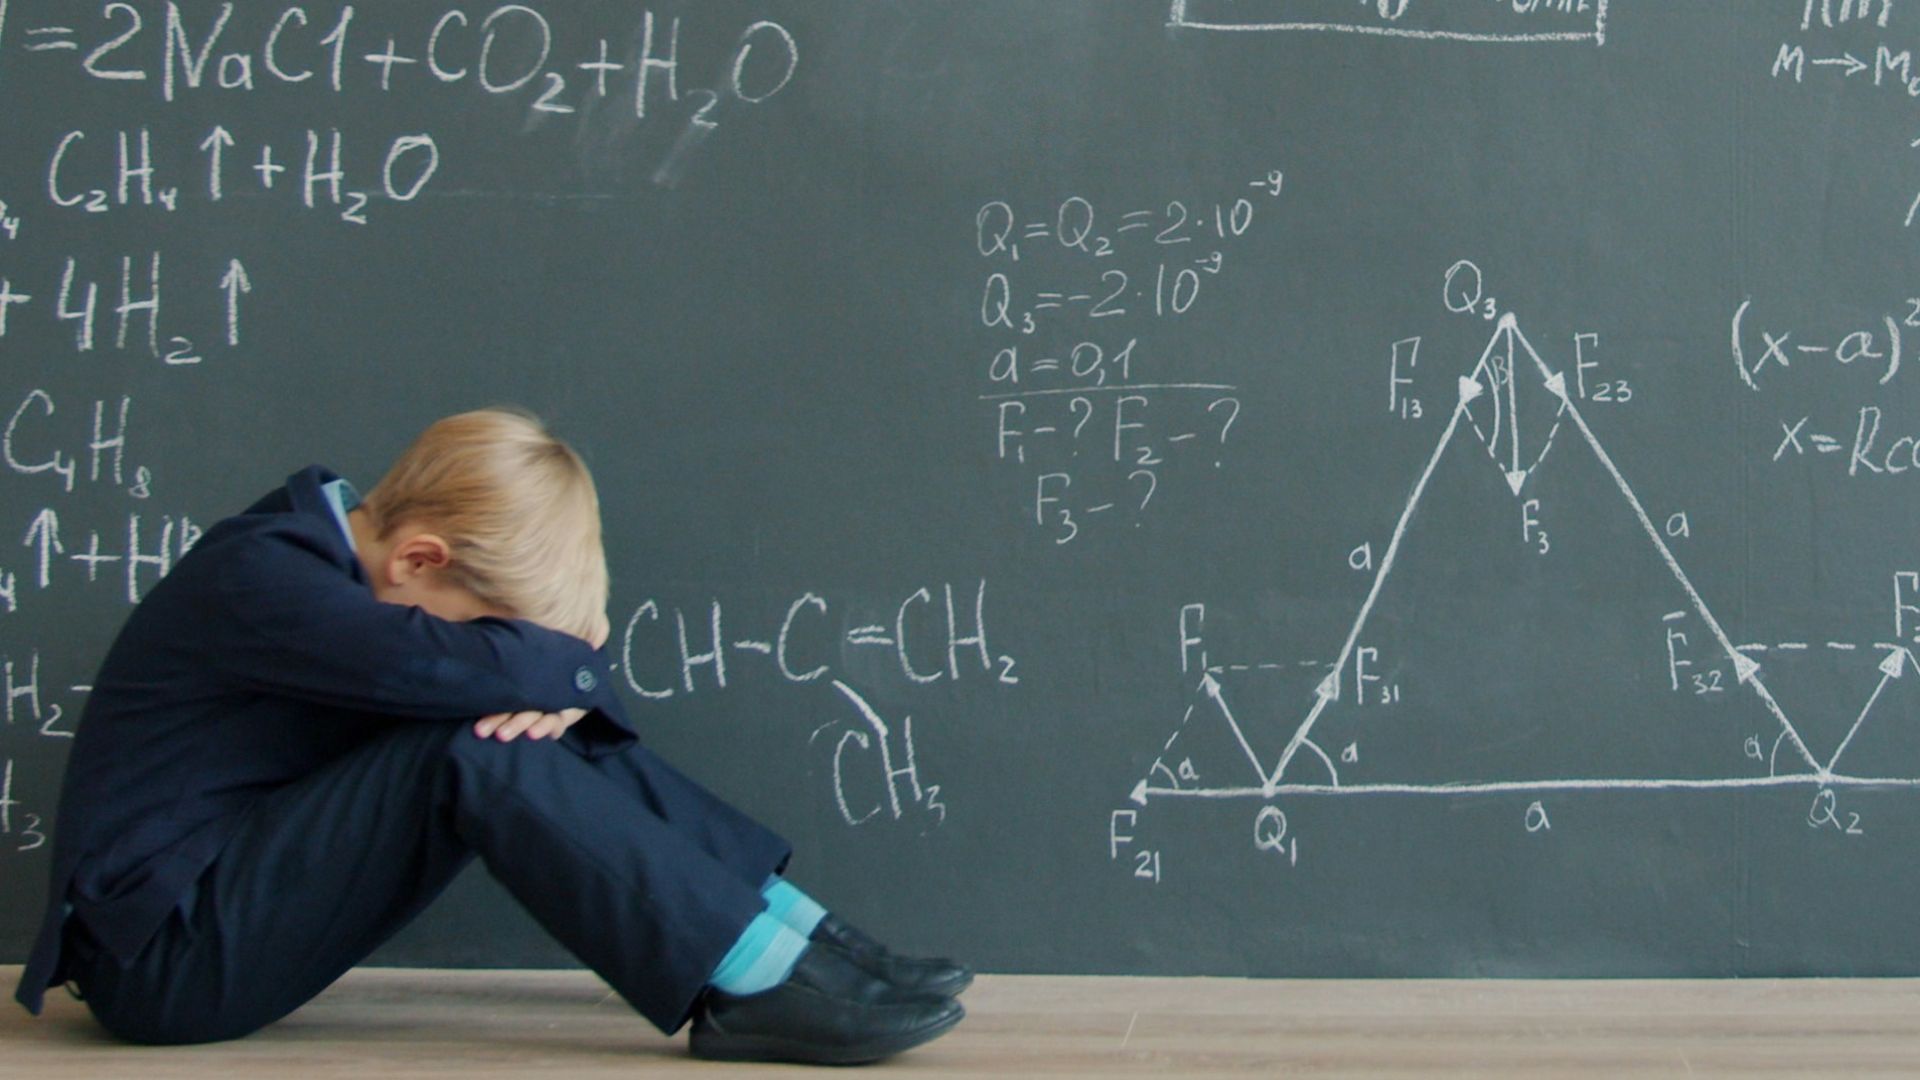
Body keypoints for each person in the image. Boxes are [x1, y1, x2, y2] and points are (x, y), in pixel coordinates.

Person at [11, 408, 968, 1065]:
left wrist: (552, 680)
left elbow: (511, 678)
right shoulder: (267, 580)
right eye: (484, 628)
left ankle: (795, 939)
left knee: (501, 726)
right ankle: (750, 974)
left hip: (218, 909)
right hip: (162, 964)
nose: (480, 648)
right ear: (419, 558)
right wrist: (566, 671)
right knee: (470, 745)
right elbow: (481, 678)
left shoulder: (341, 565)